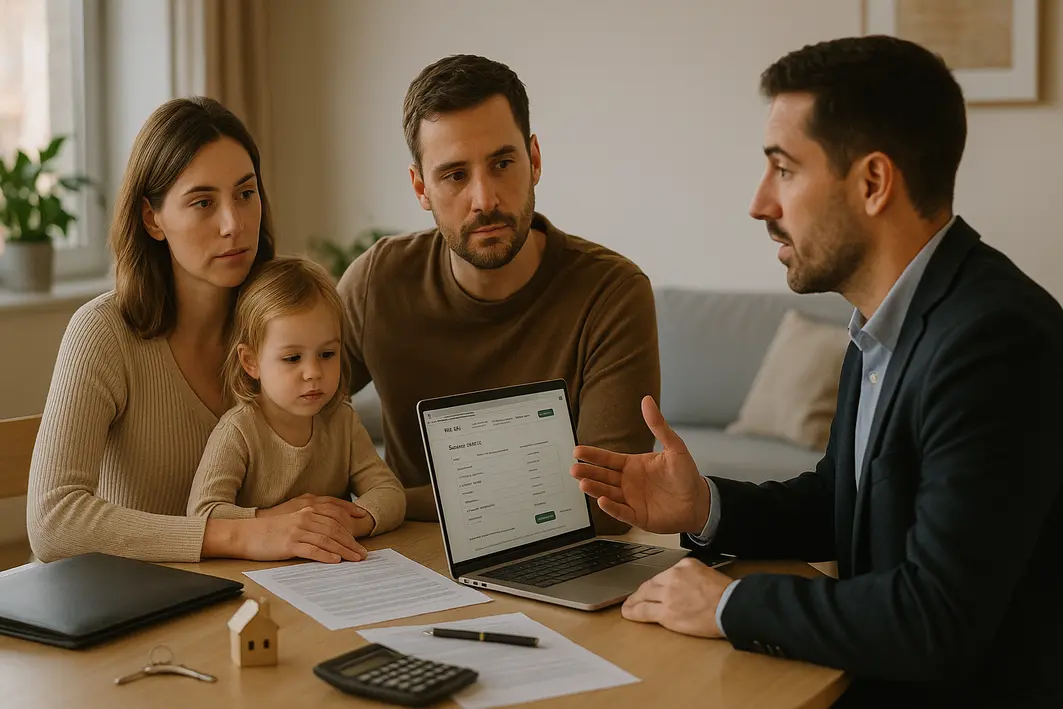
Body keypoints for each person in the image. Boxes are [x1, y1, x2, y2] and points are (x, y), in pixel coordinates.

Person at [570, 36, 1063, 706]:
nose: (758, 202)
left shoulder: (992, 341)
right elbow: (844, 502)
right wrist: (703, 505)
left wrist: (730, 603)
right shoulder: (882, 321)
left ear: (871, 183)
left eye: (784, 170)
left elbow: (934, 619)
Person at [27, 97, 367, 564]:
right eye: (203, 202)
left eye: (246, 194)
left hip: (257, 597)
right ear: (153, 219)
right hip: (135, 607)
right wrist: (244, 533)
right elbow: (53, 522)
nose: (234, 224)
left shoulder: (286, 328)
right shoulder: (102, 332)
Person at [338, 54, 660, 532]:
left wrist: (394, 503)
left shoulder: (612, 293)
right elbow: (279, 414)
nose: (484, 199)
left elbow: (609, 504)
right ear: (420, 187)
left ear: (533, 160)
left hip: (559, 558)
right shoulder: (377, 281)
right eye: (454, 175)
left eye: (502, 163)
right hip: (408, 560)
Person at [187, 256, 406, 543]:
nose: (313, 373)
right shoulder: (239, 430)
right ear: (250, 361)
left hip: (331, 569)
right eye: (292, 358)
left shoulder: (341, 419)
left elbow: (389, 492)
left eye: (327, 354)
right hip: (260, 575)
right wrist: (279, 520)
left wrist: (354, 521)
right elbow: (203, 515)